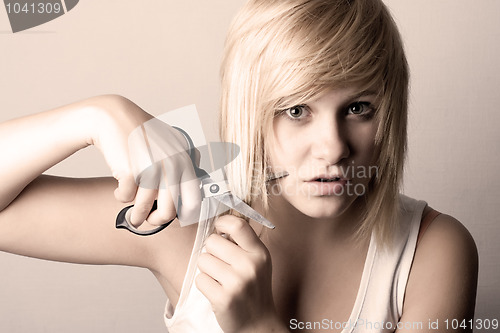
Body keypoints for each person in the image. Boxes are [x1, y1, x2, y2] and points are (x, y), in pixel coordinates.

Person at [0, 0, 478, 332]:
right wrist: (98, 114)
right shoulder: (184, 220)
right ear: (251, 109)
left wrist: (257, 327)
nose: (333, 149)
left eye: (358, 109)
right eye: (296, 110)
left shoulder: (433, 252)